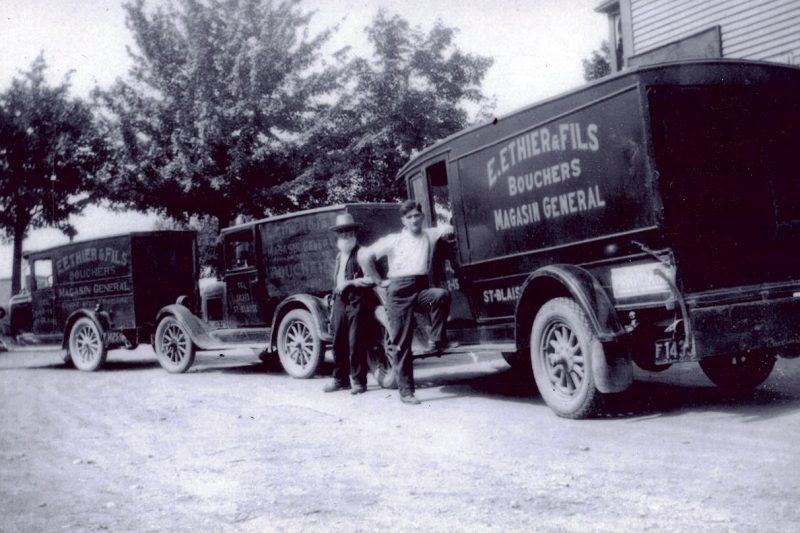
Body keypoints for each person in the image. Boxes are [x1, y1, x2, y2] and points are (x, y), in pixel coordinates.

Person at [358, 200, 454, 405]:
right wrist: (378, 280)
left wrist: (448, 228)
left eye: (416, 216)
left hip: (419, 287)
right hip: (399, 292)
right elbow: (365, 256)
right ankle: (406, 392)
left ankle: (436, 341)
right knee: (402, 344)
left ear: (422, 217)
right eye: (409, 217)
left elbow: (448, 228)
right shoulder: (394, 240)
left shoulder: (429, 234)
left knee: (441, 296)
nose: (413, 220)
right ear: (403, 220)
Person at [324, 213, 377, 395]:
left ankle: (359, 381)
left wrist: (351, 283)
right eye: (341, 232)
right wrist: (333, 301)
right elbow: (336, 281)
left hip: (358, 300)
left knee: (356, 341)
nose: (345, 235)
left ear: (354, 233)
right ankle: (340, 379)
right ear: (337, 235)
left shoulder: (362, 253)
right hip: (340, 301)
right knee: (338, 342)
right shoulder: (339, 256)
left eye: (348, 231)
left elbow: (372, 279)